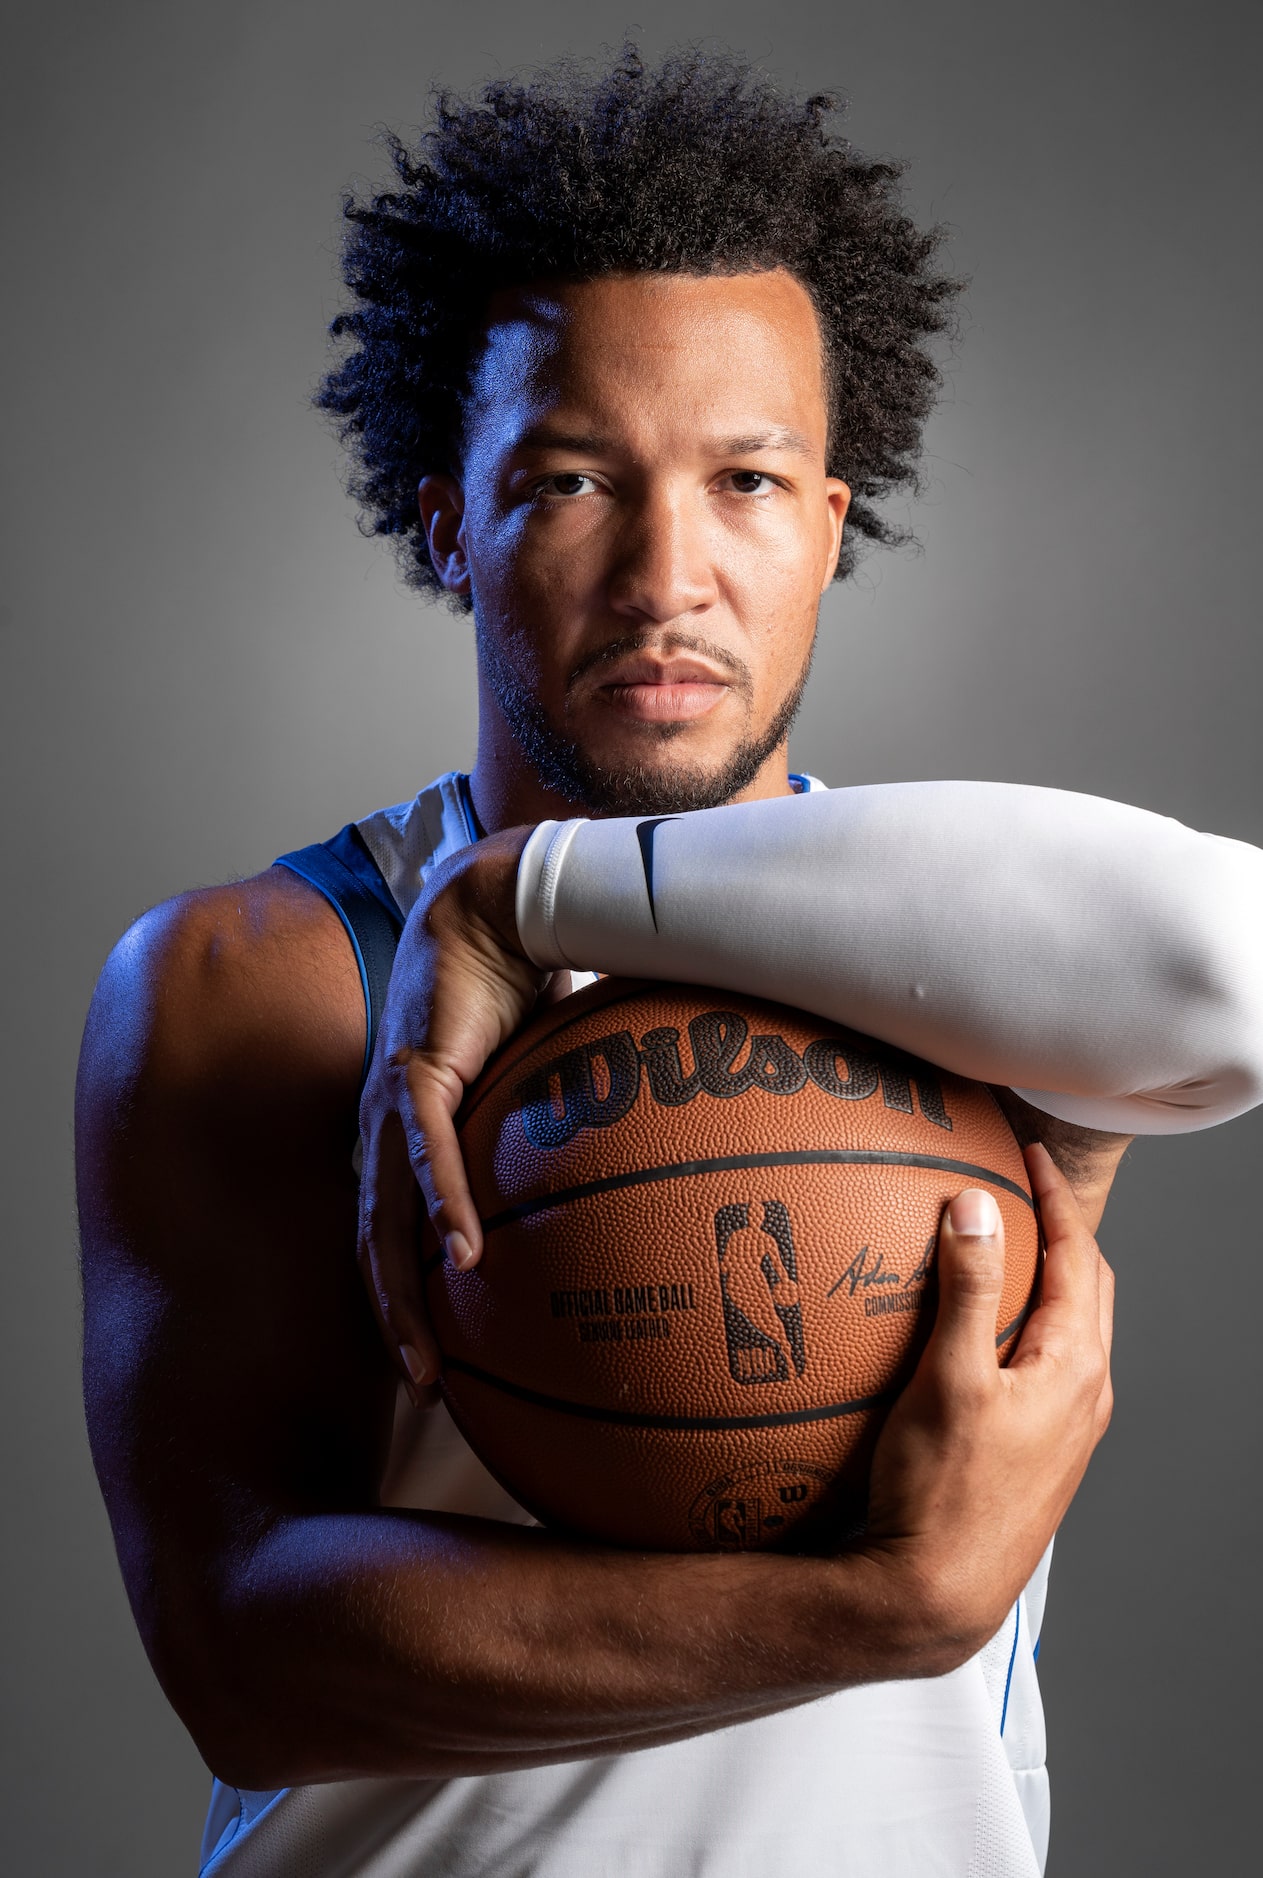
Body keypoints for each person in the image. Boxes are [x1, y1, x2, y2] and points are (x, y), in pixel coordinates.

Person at [75, 47, 1263, 1878]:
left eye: (749, 482)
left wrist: (529, 897)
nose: (669, 573)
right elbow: (249, 1648)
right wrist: (877, 1608)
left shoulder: (973, 945)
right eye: (568, 479)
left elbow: (1238, 964)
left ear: (832, 529)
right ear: (444, 514)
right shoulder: (273, 974)